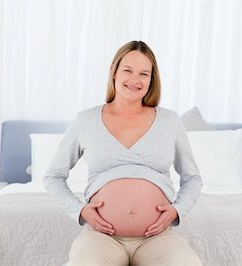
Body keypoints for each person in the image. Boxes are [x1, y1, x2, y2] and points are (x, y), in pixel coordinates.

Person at [44, 40, 203, 266]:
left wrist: (177, 211)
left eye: (144, 74)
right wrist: (80, 211)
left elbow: (192, 177)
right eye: (128, 70)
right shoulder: (85, 121)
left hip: (157, 238)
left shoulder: (170, 122)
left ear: (151, 80)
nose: (135, 80)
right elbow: (53, 177)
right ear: (114, 72)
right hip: (101, 237)